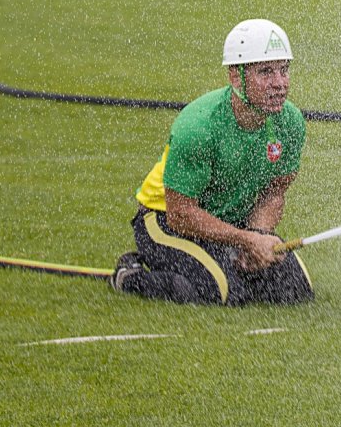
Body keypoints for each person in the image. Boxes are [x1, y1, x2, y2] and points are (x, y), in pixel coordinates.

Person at [110, 19, 314, 304]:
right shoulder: (199, 126)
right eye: (266, 72)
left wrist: (257, 235)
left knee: (293, 291)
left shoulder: (290, 122)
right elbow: (181, 213)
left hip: (231, 224)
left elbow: (274, 192)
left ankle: (220, 262)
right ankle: (129, 276)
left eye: (284, 70)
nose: (279, 83)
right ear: (235, 76)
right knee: (222, 292)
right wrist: (244, 240)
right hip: (164, 220)